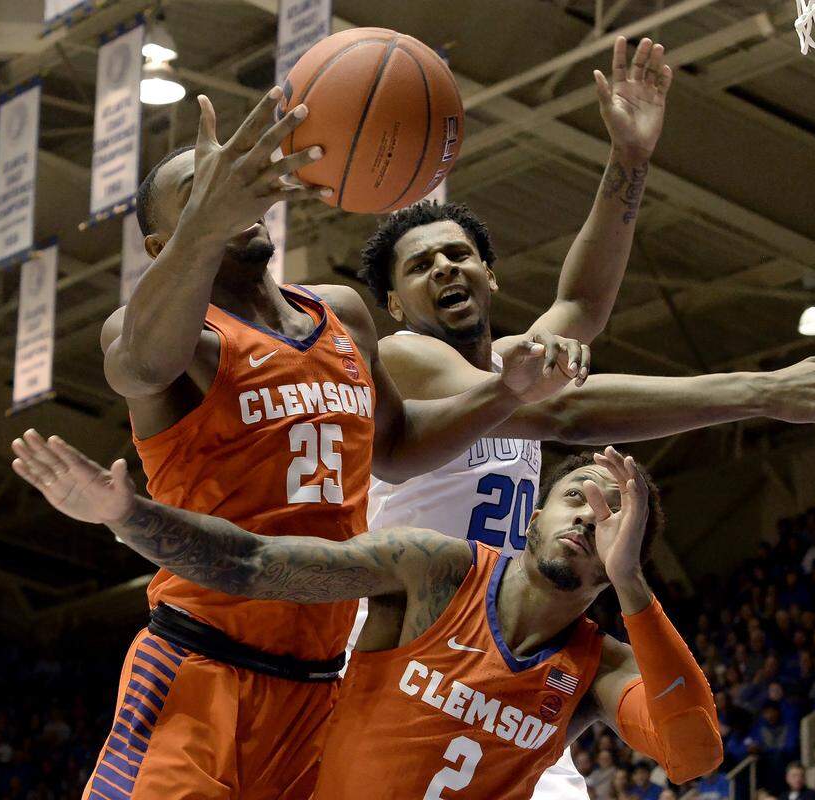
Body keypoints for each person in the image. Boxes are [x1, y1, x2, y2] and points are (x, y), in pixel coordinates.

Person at [355, 32, 815, 800]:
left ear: (491, 276)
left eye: (459, 254)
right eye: (421, 264)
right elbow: (565, 416)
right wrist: (762, 390)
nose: (445, 266)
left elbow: (582, 303)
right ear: (396, 303)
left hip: (503, 638)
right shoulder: (405, 358)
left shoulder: (515, 360)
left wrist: (630, 161)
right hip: (404, 644)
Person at [78, 85, 587, 800]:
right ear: (164, 244)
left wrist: (503, 395)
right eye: (202, 192)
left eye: (235, 182)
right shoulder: (169, 341)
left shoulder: (341, 313)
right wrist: (206, 224)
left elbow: (398, 447)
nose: (231, 195)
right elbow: (138, 364)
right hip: (201, 666)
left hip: (319, 686)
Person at [11, 434, 723, 799]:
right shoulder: (436, 571)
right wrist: (127, 517)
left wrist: (632, 584)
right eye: (578, 496)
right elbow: (259, 564)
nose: (591, 517)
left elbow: (694, 756)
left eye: (614, 516)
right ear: (532, 517)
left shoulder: (603, 667)